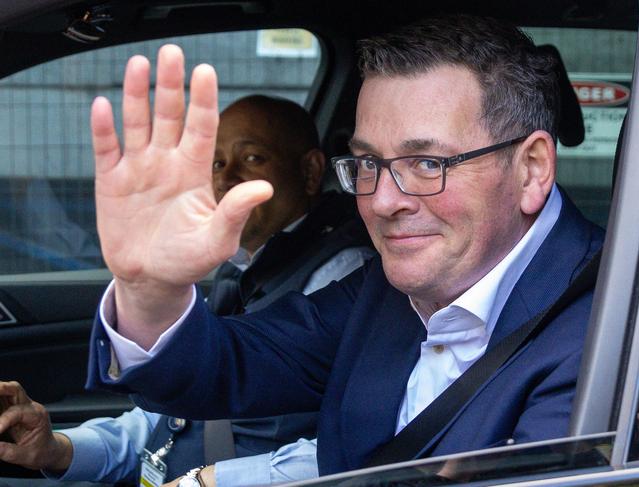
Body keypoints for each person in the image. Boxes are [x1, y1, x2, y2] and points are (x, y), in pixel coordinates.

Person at [1, 13, 606, 486]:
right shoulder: (389, 291)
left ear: (531, 169)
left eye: (427, 163)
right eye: (369, 163)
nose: (383, 200)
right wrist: (150, 288)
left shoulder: (610, 330)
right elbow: (226, 367)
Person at [0, 95, 373, 485]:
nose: (226, 178)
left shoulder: (343, 277)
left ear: (311, 171)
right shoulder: (240, 269)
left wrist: (208, 481)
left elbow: (354, 448)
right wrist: (58, 449)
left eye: (251, 159)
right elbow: (167, 419)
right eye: (216, 163)